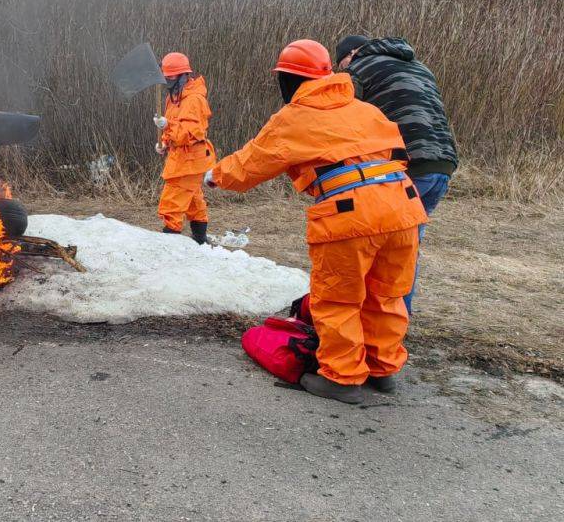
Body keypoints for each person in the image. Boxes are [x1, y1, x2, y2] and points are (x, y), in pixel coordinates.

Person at [204, 40, 427, 404]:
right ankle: (383, 368)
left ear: (289, 80)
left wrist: (215, 176)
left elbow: (250, 163)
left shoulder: (294, 117)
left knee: (338, 298)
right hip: (403, 205)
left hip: (350, 212)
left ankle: (341, 377)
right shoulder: (364, 109)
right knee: (386, 294)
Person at [335, 35, 457, 314]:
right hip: (442, 165)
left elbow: (343, 116)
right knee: (407, 245)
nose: (341, 68)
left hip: (405, 165)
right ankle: (399, 318)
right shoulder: (419, 66)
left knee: (377, 245)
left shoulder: (360, 68)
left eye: (340, 62)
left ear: (352, 53)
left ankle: (375, 321)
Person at [153, 52, 217, 244]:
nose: (168, 80)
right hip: (181, 156)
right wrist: (164, 141)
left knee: (171, 202)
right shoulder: (172, 97)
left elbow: (190, 132)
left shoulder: (195, 99)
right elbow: (173, 129)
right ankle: (200, 241)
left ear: (184, 75)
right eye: (166, 76)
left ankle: (169, 245)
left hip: (191, 158)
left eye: (172, 76)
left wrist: (167, 126)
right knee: (193, 200)